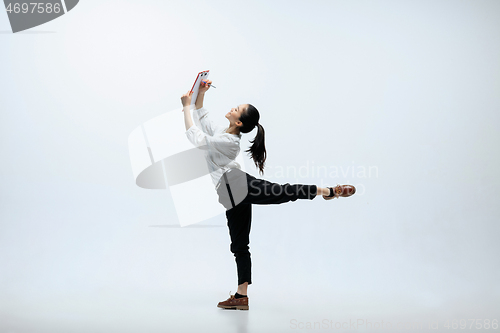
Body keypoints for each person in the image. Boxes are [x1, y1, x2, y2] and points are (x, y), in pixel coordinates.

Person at [181, 80, 355, 310]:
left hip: (235, 185)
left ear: (239, 121)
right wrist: (201, 93)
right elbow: (203, 119)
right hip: (229, 192)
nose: (232, 108)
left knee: (283, 191)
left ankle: (328, 191)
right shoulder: (224, 132)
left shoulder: (229, 142)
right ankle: (241, 296)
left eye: (236, 109)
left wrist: (185, 108)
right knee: (239, 245)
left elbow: (196, 137)